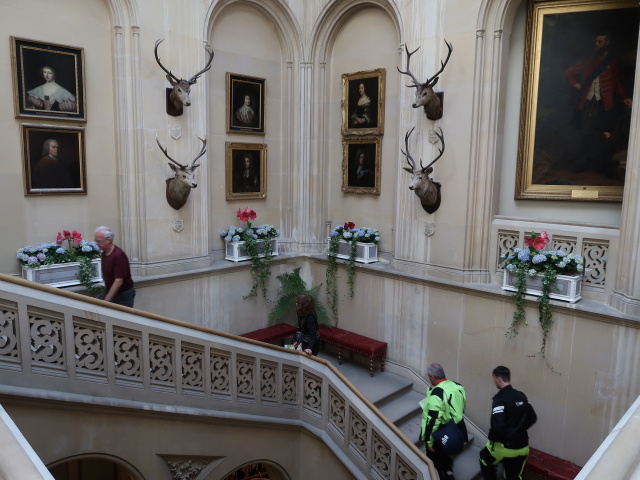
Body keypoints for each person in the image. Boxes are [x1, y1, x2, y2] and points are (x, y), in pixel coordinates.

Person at [564, 31, 632, 176]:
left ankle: (604, 165)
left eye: (600, 41)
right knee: (588, 132)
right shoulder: (587, 61)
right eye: (596, 41)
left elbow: (616, 82)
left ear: (607, 43)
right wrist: (576, 84)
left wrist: (624, 97)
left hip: (605, 103)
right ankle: (588, 161)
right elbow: (569, 73)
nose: (597, 44)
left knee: (605, 133)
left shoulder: (612, 62)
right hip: (587, 102)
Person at [479, 366, 537, 480]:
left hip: (505, 447)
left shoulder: (499, 399)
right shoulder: (522, 395)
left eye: (494, 379)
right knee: (514, 476)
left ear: (499, 379)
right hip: (523, 446)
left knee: (484, 459)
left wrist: (492, 438)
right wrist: (518, 429)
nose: (494, 381)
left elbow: (498, 427)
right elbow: (533, 417)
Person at [421, 363, 468, 480]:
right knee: (446, 456)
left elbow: (432, 421)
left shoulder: (437, 394)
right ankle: (448, 471)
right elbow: (463, 406)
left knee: (435, 461)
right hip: (457, 428)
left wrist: (429, 442)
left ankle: (442, 476)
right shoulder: (458, 386)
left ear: (432, 377)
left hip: (442, 432)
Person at [94, 226, 135, 308]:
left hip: (123, 295)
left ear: (108, 240)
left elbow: (118, 281)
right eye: (96, 241)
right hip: (110, 290)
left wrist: (106, 301)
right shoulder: (104, 253)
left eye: (99, 241)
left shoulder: (118, 255)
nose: (96, 243)